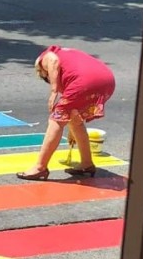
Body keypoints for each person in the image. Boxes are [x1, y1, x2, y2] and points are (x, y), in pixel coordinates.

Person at [16, 46, 116, 180]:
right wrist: (71, 127)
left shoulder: (45, 57)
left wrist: (53, 91)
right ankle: (87, 163)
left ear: (42, 71)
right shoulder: (67, 54)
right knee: (75, 121)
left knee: (56, 119)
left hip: (85, 82)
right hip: (107, 81)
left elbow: (52, 61)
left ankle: (40, 167)